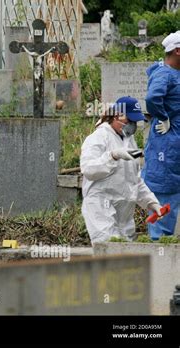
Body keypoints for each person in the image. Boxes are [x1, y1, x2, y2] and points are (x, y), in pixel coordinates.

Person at [81, 96, 162, 244]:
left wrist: (151, 202)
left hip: (124, 214)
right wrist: (113, 156)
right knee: (110, 250)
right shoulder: (99, 137)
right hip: (101, 207)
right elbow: (88, 169)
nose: (132, 125)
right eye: (129, 120)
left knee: (126, 256)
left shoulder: (129, 141)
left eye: (134, 121)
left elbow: (134, 180)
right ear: (117, 115)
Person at [142, 31, 180, 240]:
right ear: (177, 50)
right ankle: (159, 249)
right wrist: (163, 117)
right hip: (166, 142)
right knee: (164, 190)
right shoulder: (164, 73)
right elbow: (153, 97)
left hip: (175, 141)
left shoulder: (175, 73)